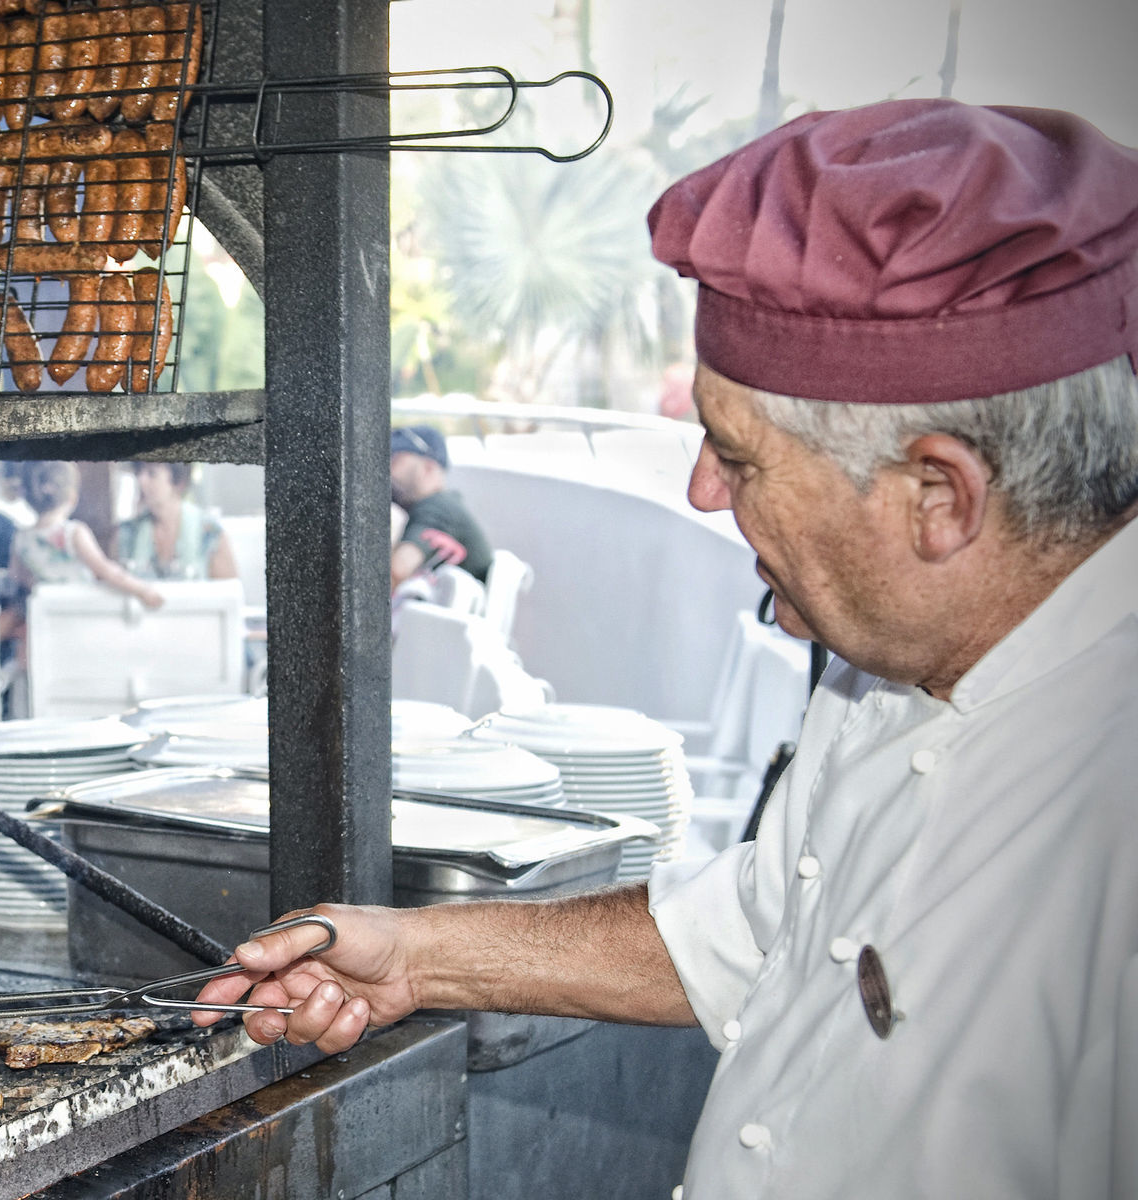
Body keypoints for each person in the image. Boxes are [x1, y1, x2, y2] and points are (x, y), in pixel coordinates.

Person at [195, 100, 1138, 1198]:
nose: (698, 491)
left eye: (735, 458)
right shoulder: (876, 664)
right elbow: (756, 929)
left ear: (936, 496)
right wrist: (414, 954)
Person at [11, 461, 163, 607]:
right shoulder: (73, 533)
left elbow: (18, 578)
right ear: (72, 496)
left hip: (45, 618)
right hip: (80, 614)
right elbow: (107, 571)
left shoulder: (21, 538)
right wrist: (143, 590)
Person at [388, 424, 492, 588]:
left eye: (394, 459)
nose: (383, 469)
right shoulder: (445, 505)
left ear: (428, 468)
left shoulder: (436, 507)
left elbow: (396, 572)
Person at [115, 462, 237, 581]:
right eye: (138, 473)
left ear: (178, 481)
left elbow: (228, 595)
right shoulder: (126, 533)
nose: (141, 481)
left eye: (152, 473)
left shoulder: (210, 533)